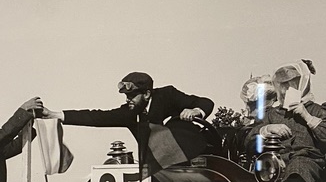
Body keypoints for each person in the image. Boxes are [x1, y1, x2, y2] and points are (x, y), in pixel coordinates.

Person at [43, 71, 215, 172]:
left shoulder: (168, 95)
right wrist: (54, 115)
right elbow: (96, 117)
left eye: (132, 95)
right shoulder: (130, 113)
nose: (128, 100)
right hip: (157, 171)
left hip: (189, 166)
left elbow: (205, 102)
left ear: (147, 94)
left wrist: (195, 111)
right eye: (126, 96)